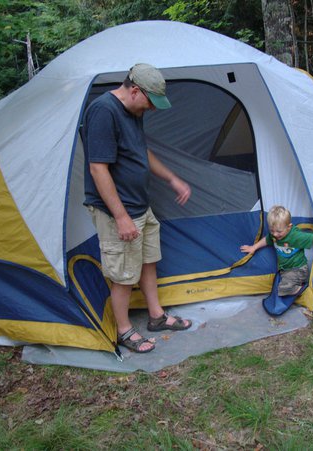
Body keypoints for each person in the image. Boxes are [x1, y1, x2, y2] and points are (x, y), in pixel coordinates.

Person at [81, 63, 192, 354]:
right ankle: (124, 330)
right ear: (134, 90)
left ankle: (156, 316)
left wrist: (172, 179)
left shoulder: (134, 111)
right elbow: (97, 168)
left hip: (140, 206)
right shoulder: (103, 111)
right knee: (122, 275)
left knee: (147, 261)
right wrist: (121, 217)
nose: (152, 109)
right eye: (150, 102)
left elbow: (141, 151)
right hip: (119, 211)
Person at [240, 205, 313, 297]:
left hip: (298, 269)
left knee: (283, 289)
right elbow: (267, 240)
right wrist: (254, 247)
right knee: (276, 286)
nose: (275, 234)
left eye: (279, 231)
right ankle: (292, 284)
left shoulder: (295, 236)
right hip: (285, 270)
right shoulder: (274, 235)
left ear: (289, 227)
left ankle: (302, 289)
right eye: (272, 231)